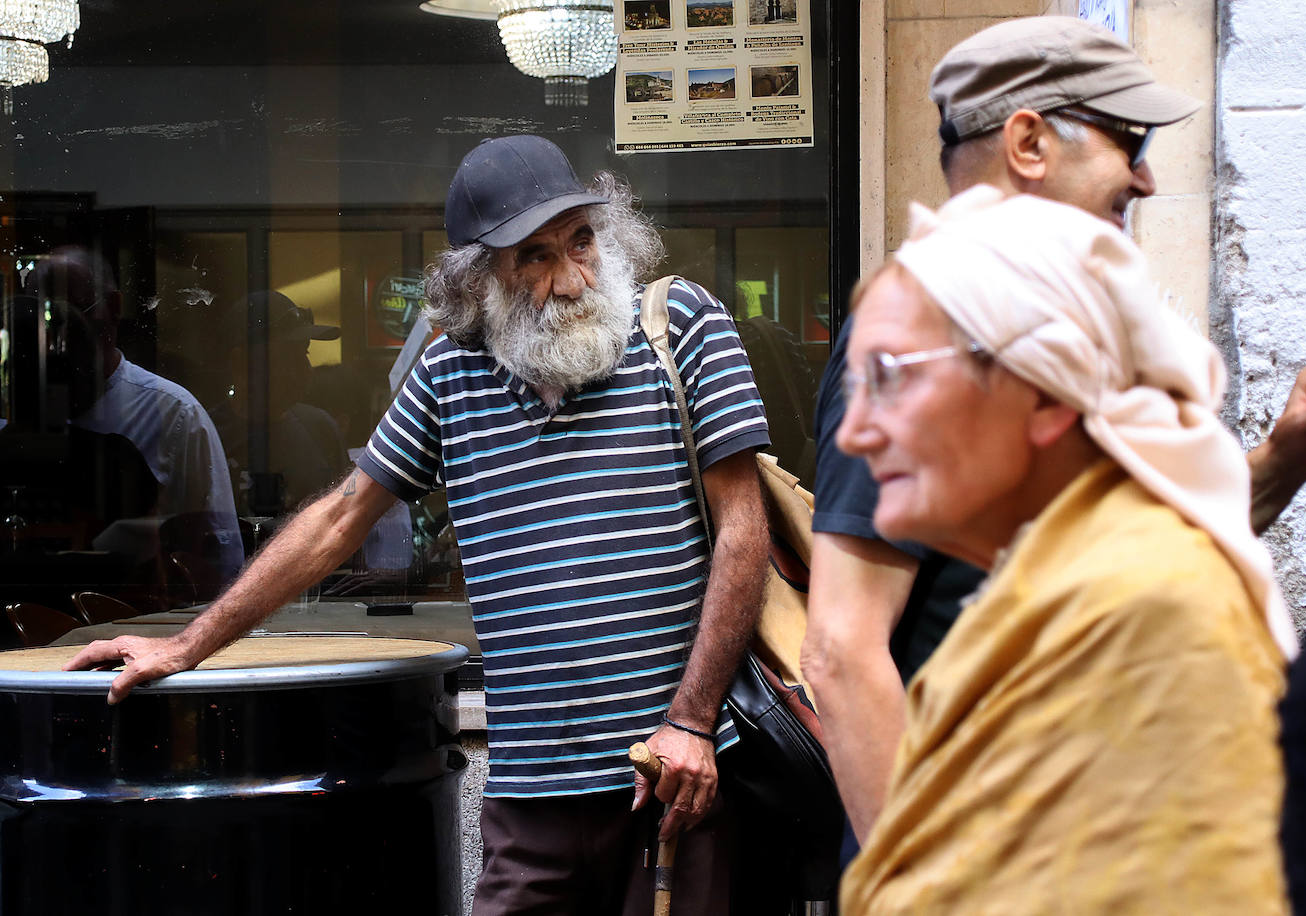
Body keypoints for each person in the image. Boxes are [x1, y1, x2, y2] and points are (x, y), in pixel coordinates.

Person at [66, 134, 771, 915]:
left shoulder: (683, 328)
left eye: (581, 240)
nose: (572, 278)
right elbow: (339, 520)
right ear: (481, 281)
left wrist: (692, 722)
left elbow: (744, 528)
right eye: (534, 258)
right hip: (531, 800)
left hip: (672, 781)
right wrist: (184, 646)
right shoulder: (450, 375)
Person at [802, 14, 1306, 845]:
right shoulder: (929, 335)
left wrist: (1284, 464)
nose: (1144, 180)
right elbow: (843, 652)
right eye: (1128, 141)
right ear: (1029, 144)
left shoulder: (1076, 338)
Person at [839, 185, 1291, 913]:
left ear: (1045, 393)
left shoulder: (1153, 613)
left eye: (889, 378)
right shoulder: (1046, 594)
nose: (852, 433)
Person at [24, 247, 244, 589]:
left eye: (75, 313)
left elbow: (220, 553)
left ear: (112, 308)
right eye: (44, 316)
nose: (58, 338)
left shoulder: (173, 415)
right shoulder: (15, 412)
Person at [211, 291, 349, 519]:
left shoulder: (322, 430)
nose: (305, 368)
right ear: (241, 363)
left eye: (304, 352)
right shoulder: (209, 436)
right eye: (287, 355)